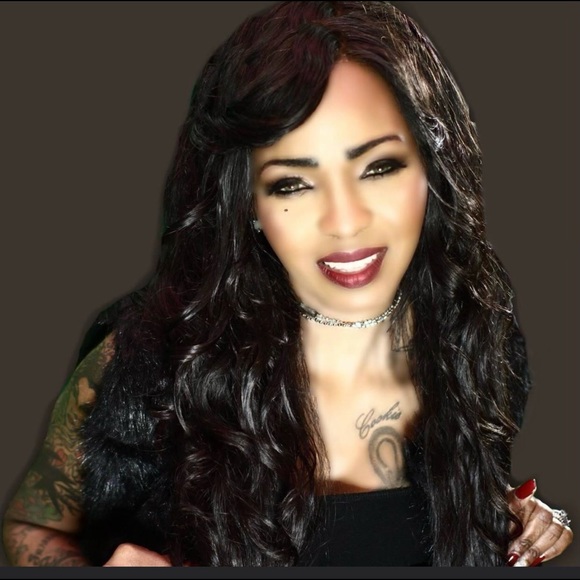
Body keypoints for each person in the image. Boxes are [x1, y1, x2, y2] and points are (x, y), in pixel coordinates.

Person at [1, 0, 574, 567]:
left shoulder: (476, 345)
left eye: (379, 167)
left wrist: (495, 512)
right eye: (292, 184)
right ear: (248, 203)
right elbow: (28, 529)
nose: (345, 222)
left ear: (431, 169)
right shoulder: (150, 363)